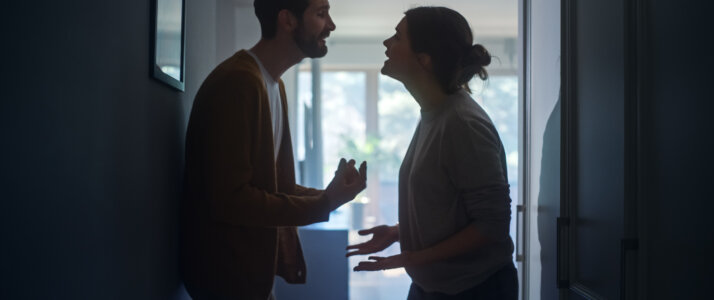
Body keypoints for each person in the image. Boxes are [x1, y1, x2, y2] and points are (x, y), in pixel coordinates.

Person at [180, 0, 366, 299]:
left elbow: (274, 186)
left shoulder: (273, 84)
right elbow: (232, 200)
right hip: (228, 280)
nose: (330, 25)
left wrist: (330, 195)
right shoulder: (239, 83)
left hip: (251, 277)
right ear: (287, 20)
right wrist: (324, 203)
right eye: (321, 14)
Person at [346, 6, 517, 300]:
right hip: (434, 288)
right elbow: (450, 206)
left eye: (397, 37)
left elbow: (492, 225)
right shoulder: (435, 113)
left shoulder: (463, 123)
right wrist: (402, 231)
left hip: (474, 290)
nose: (386, 43)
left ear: (423, 59)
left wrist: (412, 258)